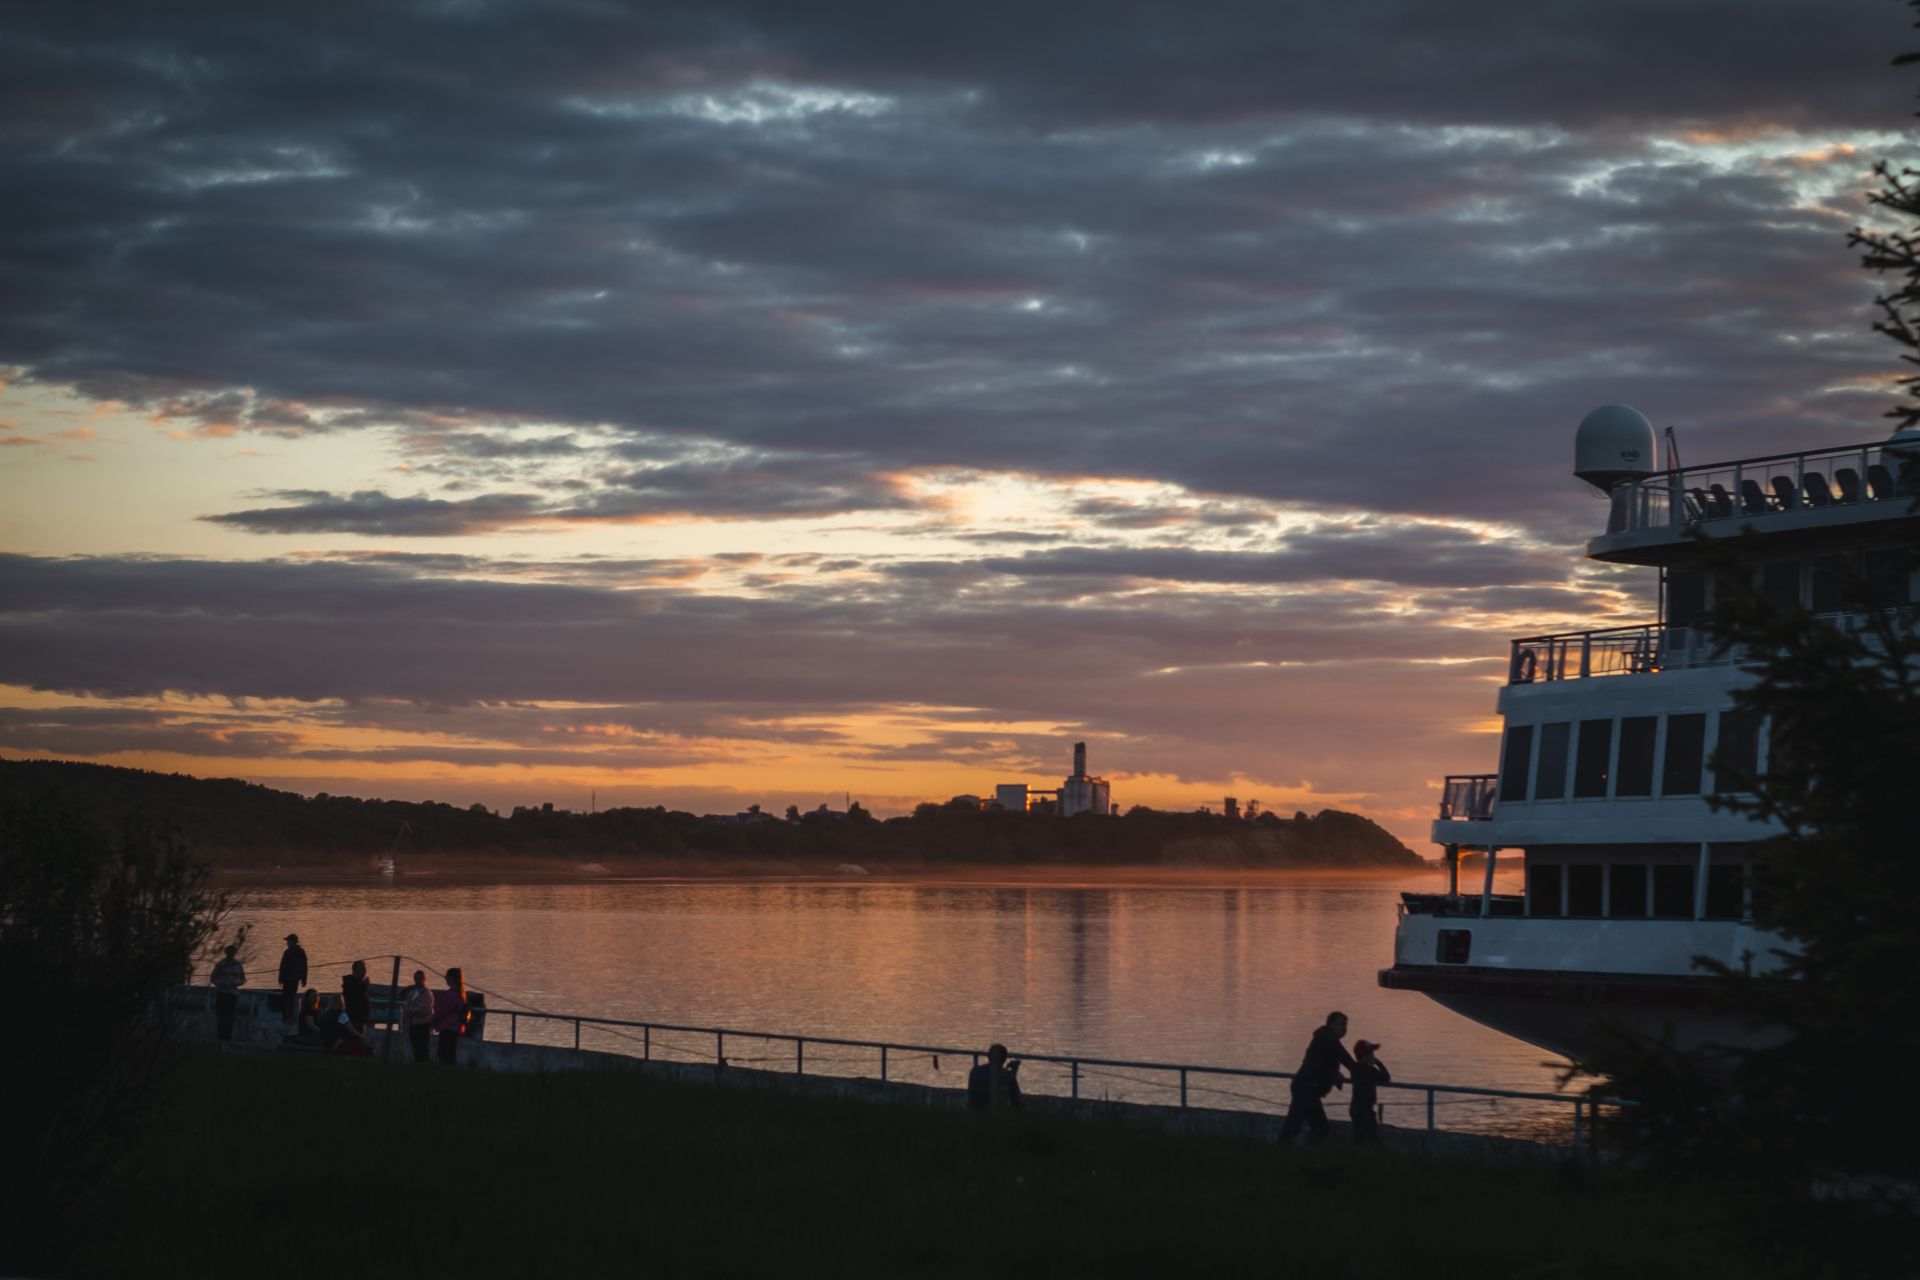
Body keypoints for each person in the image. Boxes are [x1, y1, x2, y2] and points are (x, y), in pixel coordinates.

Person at [1278, 1011, 1358, 1145]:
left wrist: (1334, 1073)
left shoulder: (1324, 1037)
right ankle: (1288, 1154)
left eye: (1346, 1025)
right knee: (1312, 1127)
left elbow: (1322, 1060)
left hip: (1306, 1087)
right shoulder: (1329, 1038)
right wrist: (1364, 1071)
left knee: (1299, 1125)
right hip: (1308, 1089)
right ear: (1331, 1024)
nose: (1345, 1028)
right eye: (1342, 1024)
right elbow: (1345, 1058)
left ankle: (1286, 1153)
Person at [1348, 1040, 1391, 1145]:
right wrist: (1379, 1063)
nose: (1373, 1055)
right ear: (1365, 1054)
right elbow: (1386, 1077)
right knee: (1373, 1139)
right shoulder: (1370, 1069)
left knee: (1358, 1138)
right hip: (1366, 1110)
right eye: (1371, 1052)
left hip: (1355, 1107)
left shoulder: (1354, 1068)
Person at [966, 1043, 1023, 1111]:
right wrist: (1013, 1073)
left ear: (988, 1056)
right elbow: (1016, 1100)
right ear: (1004, 1059)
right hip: (996, 1114)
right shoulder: (1007, 1076)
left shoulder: (975, 1071)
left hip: (975, 1111)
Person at [432, 967, 470, 1065]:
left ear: (451, 978)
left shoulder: (451, 995)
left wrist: (431, 1021)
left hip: (448, 1028)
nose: (445, 978)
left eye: (447, 976)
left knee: (444, 1055)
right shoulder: (461, 994)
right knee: (450, 1054)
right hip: (455, 1028)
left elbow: (442, 1011)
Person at [209, 945, 246, 1042]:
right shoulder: (220, 964)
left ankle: (227, 1038)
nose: (231, 954)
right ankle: (220, 1038)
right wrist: (222, 983)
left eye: (233, 952)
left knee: (230, 1017)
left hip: (233, 995)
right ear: (226, 953)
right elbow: (213, 978)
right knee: (220, 1016)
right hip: (221, 993)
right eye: (229, 952)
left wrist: (236, 982)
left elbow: (243, 979)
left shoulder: (238, 965)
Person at [401, 969, 436, 1063]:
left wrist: (412, 1010)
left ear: (425, 979)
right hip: (412, 1025)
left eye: (421, 978)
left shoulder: (428, 993)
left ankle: (425, 1067)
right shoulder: (411, 993)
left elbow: (424, 1009)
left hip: (424, 1025)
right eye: (417, 978)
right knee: (415, 1049)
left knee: (423, 1049)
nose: (419, 980)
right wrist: (411, 1011)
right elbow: (406, 1008)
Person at [277, 933, 308, 1024]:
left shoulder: (292, 952)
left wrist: (280, 978)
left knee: (288, 999)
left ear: (292, 941)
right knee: (288, 998)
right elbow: (283, 966)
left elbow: (303, 966)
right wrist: (304, 979)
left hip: (291, 979)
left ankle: (287, 1017)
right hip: (291, 979)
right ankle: (287, 1016)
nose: (287, 942)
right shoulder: (297, 952)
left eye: (288, 941)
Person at [341, 960, 372, 1033]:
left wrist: (369, 1012)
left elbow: (366, 999)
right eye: (361, 970)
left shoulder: (361, 984)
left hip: (363, 1018)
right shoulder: (349, 983)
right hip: (353, 1019)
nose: (364, 972)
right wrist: (364, 986)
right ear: (354, 971)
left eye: (364, 970)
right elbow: (354, 995)